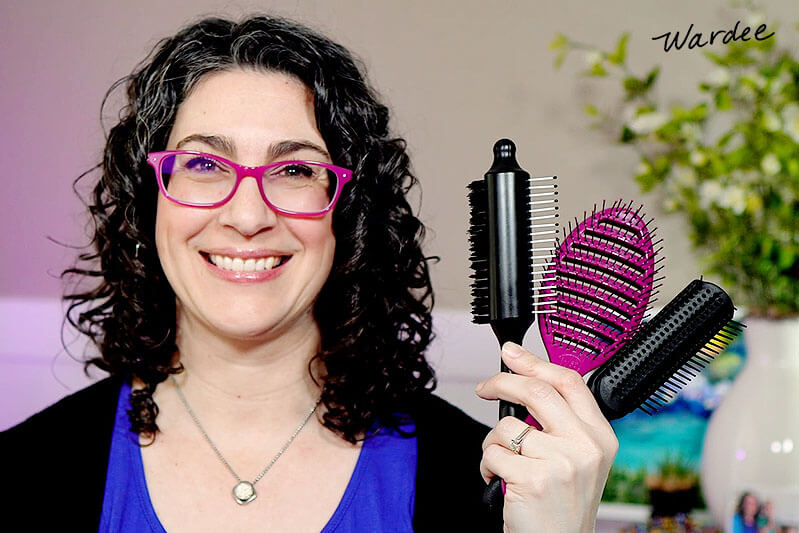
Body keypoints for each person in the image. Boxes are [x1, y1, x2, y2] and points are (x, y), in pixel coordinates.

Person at [0, 14, 617, 531]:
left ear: (348, 215)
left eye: (295, 171)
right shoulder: (28, 472)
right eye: (204, 165)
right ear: (150, 201)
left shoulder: (478, 488)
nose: (246, 215)